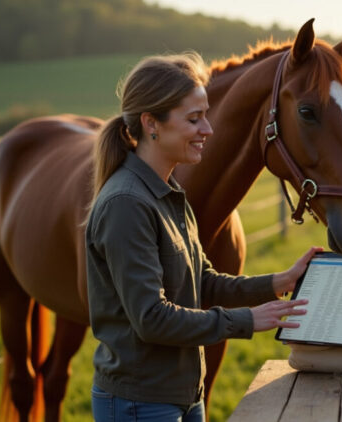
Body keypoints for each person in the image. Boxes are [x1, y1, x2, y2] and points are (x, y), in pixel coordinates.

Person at [85, 52, 319, 422]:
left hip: (184, 395)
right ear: (151, 124)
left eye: (206, 116)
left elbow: (201, 282)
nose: (208, 129)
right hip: (140, 404)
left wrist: (280, 282)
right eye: (194, 119)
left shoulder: (170, 192)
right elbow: (151, 318)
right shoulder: (126, 205)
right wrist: (246, 320)